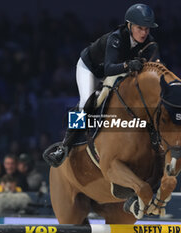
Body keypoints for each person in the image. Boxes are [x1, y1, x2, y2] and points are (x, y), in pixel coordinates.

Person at [46, 3, 160, 167]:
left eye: (147, 29)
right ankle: (64, 146)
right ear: (130, 25)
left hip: (115, 71)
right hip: (90, 68)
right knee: (87, 102)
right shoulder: (116, 38)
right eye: (140, 28)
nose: (144, 33)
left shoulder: (149, 42)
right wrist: (128, 65)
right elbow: (109, 68)